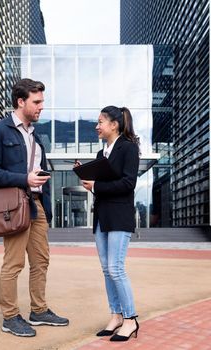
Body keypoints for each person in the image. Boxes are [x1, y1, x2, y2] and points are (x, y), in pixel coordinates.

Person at [0, 78, 69, 337]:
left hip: (36, 204)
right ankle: (10, 317)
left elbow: (37, 173)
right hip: (14, 204)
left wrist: (45, 205)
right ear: (21, 102)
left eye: (42, 101)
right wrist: (24, 178)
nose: (42, 107)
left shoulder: (35, 136)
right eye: (37, 102)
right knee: (14, 263)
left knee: (41, 260)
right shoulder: (0, 131)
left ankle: (39, 311)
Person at [78, 105, 140, 342]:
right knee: (106, 269)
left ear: (114, 124)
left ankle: (130, 319)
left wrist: (96, 186)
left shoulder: (128, 148)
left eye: (100, 122)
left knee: (116, 268)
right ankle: (115, 315)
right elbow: (103, 189)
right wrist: (90, 183)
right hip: (102, 217)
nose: (97, 126)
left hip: (119, 217)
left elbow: (128, 184)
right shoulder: (100, 154)